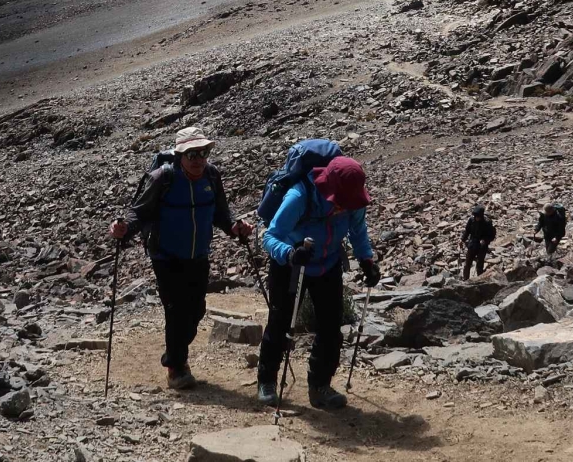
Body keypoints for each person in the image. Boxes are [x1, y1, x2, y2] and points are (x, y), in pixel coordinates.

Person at [110, 127, 251, 390]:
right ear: (180, 154)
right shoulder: (162, 178)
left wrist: (235, 227)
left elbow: (221, 214)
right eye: (192, 154)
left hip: (198, 253)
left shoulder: (212, 175)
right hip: (165, 255)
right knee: (175, 310)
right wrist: (123, 230)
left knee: (196, 310)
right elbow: (139, 213)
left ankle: (175, 354)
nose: (198, 159)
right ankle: (176, 368)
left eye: (203, 152)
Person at [256, 155, 378, 411]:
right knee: (280, 323)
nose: (345, 208)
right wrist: (289, 253)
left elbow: (358, 231)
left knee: (332, 327)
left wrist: (366, 260)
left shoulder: (354, 199)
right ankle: (266, 380)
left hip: (327, 263)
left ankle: (320, 385)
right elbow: (270, 237)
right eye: (341, 203)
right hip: (291, 264)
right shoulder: (299, 196)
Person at [461, 205, 496, 279]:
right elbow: (467, 231)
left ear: (481, 216)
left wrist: (485, 240)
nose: (476, 218)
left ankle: (479, 280)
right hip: (472, 244)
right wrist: (462, 240)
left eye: (478, 216)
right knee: (467, 264)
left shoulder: (487, 222)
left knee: (479, 265)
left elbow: (492, 235)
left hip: (482, 247)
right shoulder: (471, 220)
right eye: (475, 216)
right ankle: (465, 279)